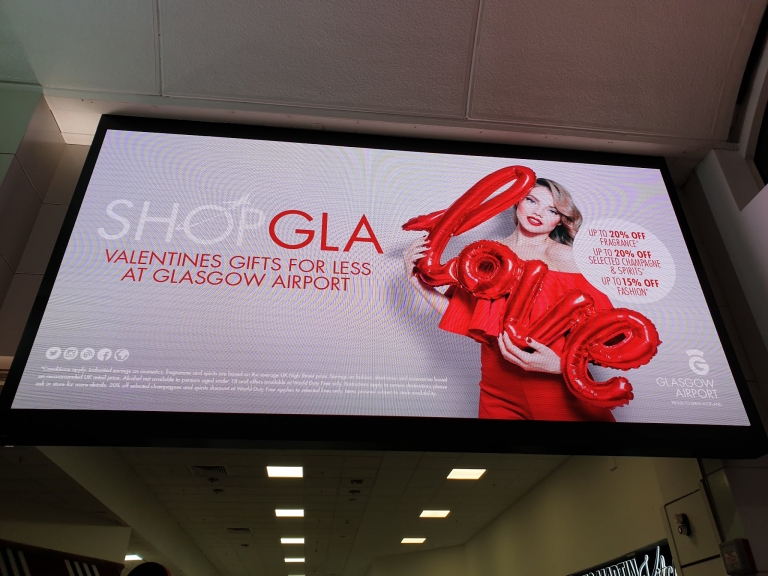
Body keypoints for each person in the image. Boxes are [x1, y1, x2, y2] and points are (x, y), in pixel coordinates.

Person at [404, 178, 615, 421]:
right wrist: (416, 282)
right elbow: (462, 313)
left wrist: (562, 365)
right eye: (531, 200)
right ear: (516, 202)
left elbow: (607, 337)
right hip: (496, 392)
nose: (538, 212)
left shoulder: (569, 258)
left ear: (560, 219)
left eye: (552, 210)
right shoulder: (485, 253)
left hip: (556, 390)